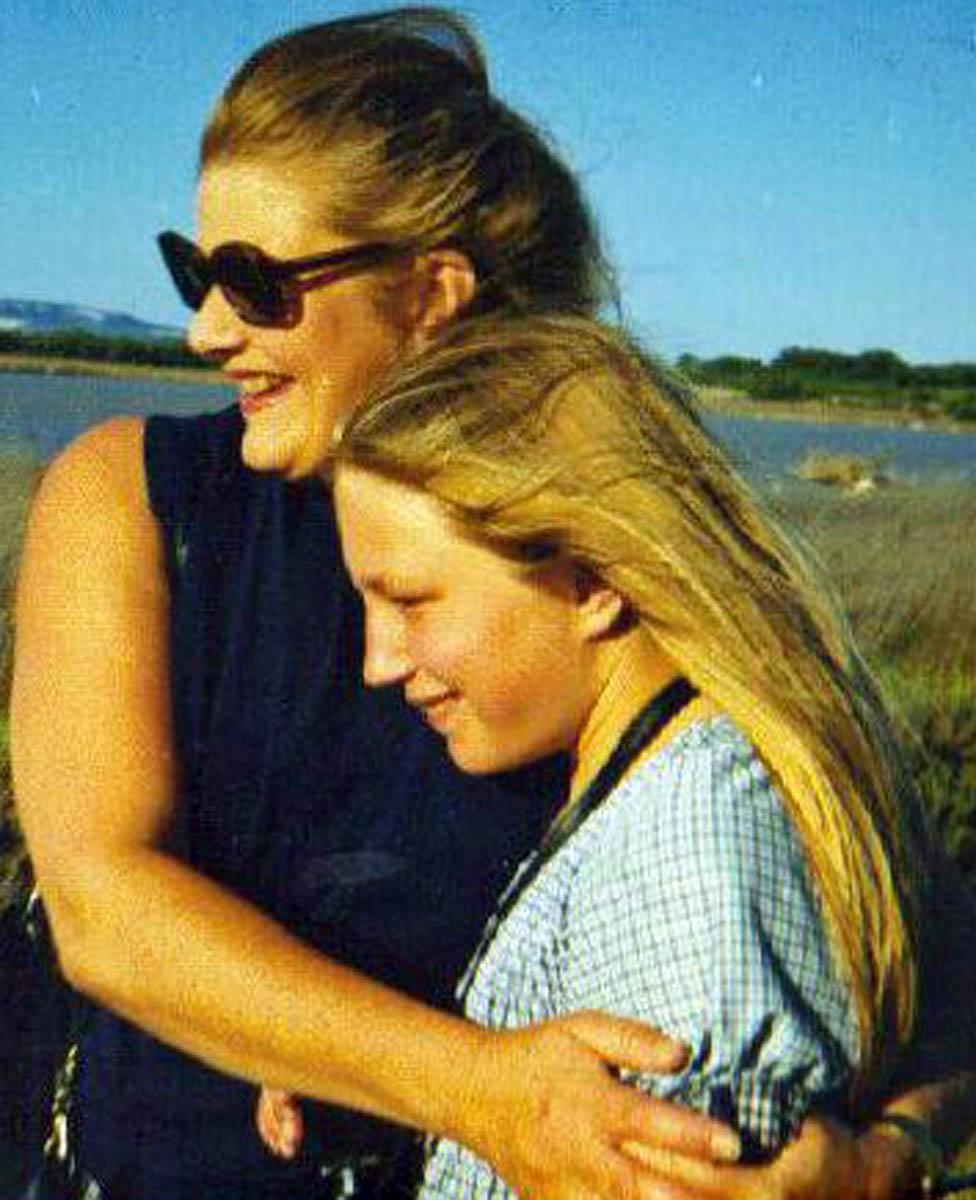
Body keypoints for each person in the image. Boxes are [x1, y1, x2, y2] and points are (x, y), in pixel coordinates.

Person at [10, 8, 975, 1200]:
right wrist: (476, 1088)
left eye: (256, 284)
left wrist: (889, 1157)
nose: (206, 329)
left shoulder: (592, 561)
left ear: (432, 293)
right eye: (194, 271)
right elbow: (102, 908)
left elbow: (927, 941)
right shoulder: (134, 500)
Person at [326, 312, 976, 1196]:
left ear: (590, 582)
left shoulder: (684, 846)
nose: (377, 661)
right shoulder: (683, 771)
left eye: (409, 600)